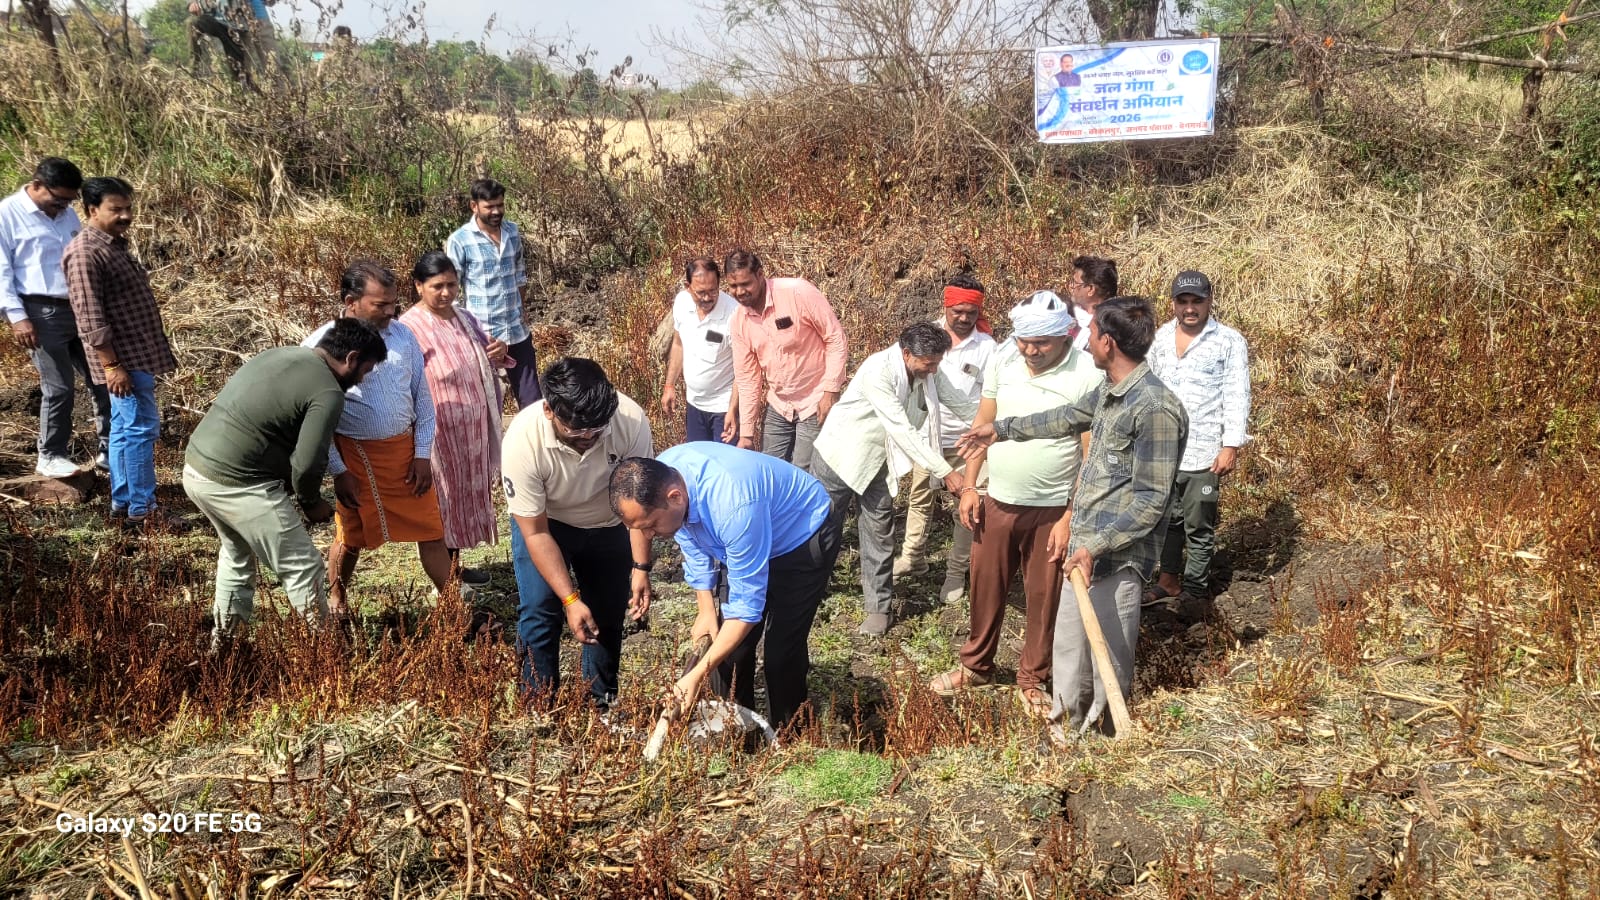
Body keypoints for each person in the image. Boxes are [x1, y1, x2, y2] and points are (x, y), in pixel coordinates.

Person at [957, 296, 1188, 739]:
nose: (1086, 340)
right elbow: (1064, 417)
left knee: (1107, 658)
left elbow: (1150, 502)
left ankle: (1104, 738)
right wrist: (999, 430)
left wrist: (1094, 546)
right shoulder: (1109, 392)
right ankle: (1065, 733)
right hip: (1084, 547)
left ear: (1107, 341)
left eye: (1092, 333)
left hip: (1116, 557)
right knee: (1068, 651)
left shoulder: (1155, 408)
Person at [929, 290, 1102, 718]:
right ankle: (976, 666)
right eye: (1025, 340)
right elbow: (982, 426)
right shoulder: (1004, 360)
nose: (1031, 350)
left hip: (1052, 508)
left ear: (1065, 335)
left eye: (1041, 342)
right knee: (985, 585)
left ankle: (1033, 678)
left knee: (1044, 596)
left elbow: (1091, 453)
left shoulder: (1085, 374)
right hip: (999, 498)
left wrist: (1069, 514)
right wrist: (971, 486)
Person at [184, 319, 386, 646]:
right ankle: (328, 656)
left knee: (237, 555)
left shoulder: (282, 355)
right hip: (240, 484)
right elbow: (307, 464)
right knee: (303, 566)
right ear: (350, 358)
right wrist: (311, 502)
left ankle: (224, 647)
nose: (362, 379)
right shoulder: (327, 391)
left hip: (197, 470)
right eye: (365, 370)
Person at [609, 444, 840, 730]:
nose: (648, 535)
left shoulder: (733, 505)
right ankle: (736, 733)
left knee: (781, 653)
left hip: (802, 534)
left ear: (675, 496)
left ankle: (790, 738)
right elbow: (692, 538)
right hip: (746, 534)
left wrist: (694, 677)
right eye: (639, 528)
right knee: (728, 649)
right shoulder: (663, 475)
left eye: (651, 525)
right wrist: (706, 608)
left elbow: (746, 609)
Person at [502, 358, 654, 708]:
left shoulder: (630, 421)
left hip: (610, 524)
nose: (588, 439)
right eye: (575, 432)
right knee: (540, 610)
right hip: (548, 526)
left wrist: (641, 568)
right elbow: (536, 532)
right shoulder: (522, 441)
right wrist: (570, 599)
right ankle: (536, 705)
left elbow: (638, 507)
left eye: (596, 431)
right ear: (549, 410)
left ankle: (601, 702)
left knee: (607, 611)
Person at [811, 322, 978, 636]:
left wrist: (994, 425)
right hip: (841, 455)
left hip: (879, 462)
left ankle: (878, 608)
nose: (933, 370)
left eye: (937, 363)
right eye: (928, 364)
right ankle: (809, 589)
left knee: (879, 532)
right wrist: (946, 471)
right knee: (820, 529)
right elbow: (902, 429)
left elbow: (960, 403)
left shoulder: (930, 370)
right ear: (906, 353)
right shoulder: (879, 370)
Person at [301, 261, 448, 615]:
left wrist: (422, 453)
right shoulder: (319, 346)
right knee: (350, 534)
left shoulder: (403, 336)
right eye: (380, 305)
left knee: (431, 530)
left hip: (405, 455)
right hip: (354, 458)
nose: (390, 312)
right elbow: (316, 421)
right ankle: (336, 599)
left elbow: (423, 400)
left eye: (393, 303)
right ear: (351, 301)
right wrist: (339, 470)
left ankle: (454, 606)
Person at [63, 177, 179, 530]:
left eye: (128, 207)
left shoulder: (111, 245)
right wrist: (112, 366)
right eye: (116, 209)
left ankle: (125, 502)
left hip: (135, 355)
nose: (126, 215)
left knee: (125, 431)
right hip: (123, 360)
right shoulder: (85, 252)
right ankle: (144, 509)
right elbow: (89, 318)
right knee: (140, 430)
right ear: (92, 210)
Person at [399, 251, 510, 585]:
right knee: (439, 502)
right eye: (437, 286)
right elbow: (402, 380)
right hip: (436, 433)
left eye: (451, 285)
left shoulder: (464, 318)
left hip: (470, 432)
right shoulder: (408, 328)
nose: (446, 293)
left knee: (461, 498)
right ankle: (445, 582)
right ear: (419, 286)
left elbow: (486, 354)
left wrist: (499, 350)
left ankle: (456, 568)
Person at [1, 157, 110, 479]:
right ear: (36, 185)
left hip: (80, 307)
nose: (63, 206)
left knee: (103, 380)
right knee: (59, 386)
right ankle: (50, 454)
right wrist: (17, 317)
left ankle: (109, 449)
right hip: (39, 311)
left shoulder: (65, 214)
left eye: (69, 200)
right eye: (58, 199)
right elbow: (2, 270)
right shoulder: (7, 214)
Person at [1147, 271, 1251, 604]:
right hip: (1163, 449)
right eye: (1183, 301)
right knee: (1167, 520)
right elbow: (1146, 383)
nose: (1190, 309)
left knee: (1198, 523)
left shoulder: (1228, 341)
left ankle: (1194, 590)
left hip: (1203, 450)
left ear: (1209, 301)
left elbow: (1237, 393)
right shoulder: (1160, 337)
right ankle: (1168, 581)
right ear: (1174, 303)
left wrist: (1230, 444)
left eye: (1197, 301)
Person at [893, 273, 996, 605]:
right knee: (920, 498)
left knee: (968, 505)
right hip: (929, 435)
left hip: (970, 441)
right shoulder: (927, 337)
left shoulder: (988, 347)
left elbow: (989, 397)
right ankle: (913, 557)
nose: (964, 318)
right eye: (958, 312)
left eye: (971, 312)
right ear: (946, 306)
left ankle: (955, 572)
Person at [725, 248, 847, 470]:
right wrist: (747, 434)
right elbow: (748, 378)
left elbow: (835, 337)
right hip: (780, 403)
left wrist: (831, 390)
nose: (740, 292)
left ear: (760, 275)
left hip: (815, 398)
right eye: (733, 286)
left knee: (803, 472)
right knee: (769, 469)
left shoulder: (797, 293)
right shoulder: (739, 321)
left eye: (745, 284)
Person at [445, 178, 540, 408]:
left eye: (500, 205)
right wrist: (459, 332)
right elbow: (451, 289)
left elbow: (519, 276)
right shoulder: (460, 241)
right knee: (487, 405)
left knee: (533, 403)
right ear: (474, 206)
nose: (496, 211)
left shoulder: (512, 232)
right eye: (489, 207)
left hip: (516, 330)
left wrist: (523, 310)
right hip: (483, 335)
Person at [661, 256, 739, 444]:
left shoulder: (734, 314)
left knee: (723, 465)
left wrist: (733, 410)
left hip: (723, 408)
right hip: (694, 404)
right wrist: (669, 385)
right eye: (700, 292)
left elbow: (742, 368)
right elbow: (679, 343)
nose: (707, 298)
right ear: (688, 287)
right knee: (699, 458)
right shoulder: (681, 303)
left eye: (713, 291)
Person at [186, 0, 255, 90]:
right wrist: (191, 3)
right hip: (213, 20)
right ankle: (192, 74)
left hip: (237, 27)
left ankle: (244, 96)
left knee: (240, 75)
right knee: (192, 22)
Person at [1067, 255, 1117, 353]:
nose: (1070, 286)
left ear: (1090, 289)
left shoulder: (1109, 330)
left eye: (1075, 283)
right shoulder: (1065, 313)